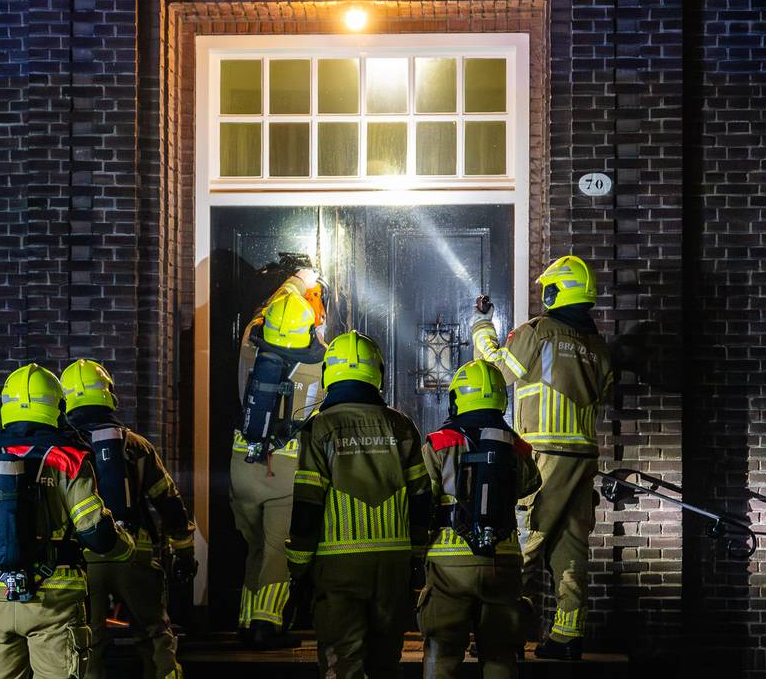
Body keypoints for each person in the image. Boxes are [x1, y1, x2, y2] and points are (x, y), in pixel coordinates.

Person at [0, 363, 134, 679]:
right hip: (56, 603)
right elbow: (96, 534)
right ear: (58, 408)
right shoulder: (70, 461)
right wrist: (124, 544)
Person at [471, 255, 614, 659]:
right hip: (583, 458)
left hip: (544, 453)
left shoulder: (539, 331)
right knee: (571, 546)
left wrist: (482, 326)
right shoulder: (599, 346)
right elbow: (605, 392)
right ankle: (567, 637)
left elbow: (496, 371)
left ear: (557, 291)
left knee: (525, 542)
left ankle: (505, 636)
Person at [285, 330, 431, 679]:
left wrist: (299, 567)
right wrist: (417, 559)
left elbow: (307, 504)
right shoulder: (401, 426)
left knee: (343, 663)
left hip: (338, 568)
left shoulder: (319, 429)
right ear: (376, 371)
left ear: (329, 373)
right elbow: (422, 498)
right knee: (385, 662)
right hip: (393, 568)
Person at [60, 359, 196, 679]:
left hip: (83, 558)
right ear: (108, 394)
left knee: (87, 643)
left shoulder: (62, 450)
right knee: (155, 635)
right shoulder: (136, 445)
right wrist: (184, 551)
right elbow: (169, 502)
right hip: (136, 551)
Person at [418, 360, 541, 679]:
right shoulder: (518, 446)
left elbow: (422, 496)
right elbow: (531, 484)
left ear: (457, 398)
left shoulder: (438, 442)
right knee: (500, 652)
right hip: (503, 560)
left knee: (443, 650)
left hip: (449, 565)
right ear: (501, 399)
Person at [230, 270, 327, 648]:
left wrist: (298, 279)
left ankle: (244, 619)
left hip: (242, 464)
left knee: (254, 545)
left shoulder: (249, 345)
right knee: (276, 549)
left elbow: (270, 307)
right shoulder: (317, 363)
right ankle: (266, 625)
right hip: (285, 470)